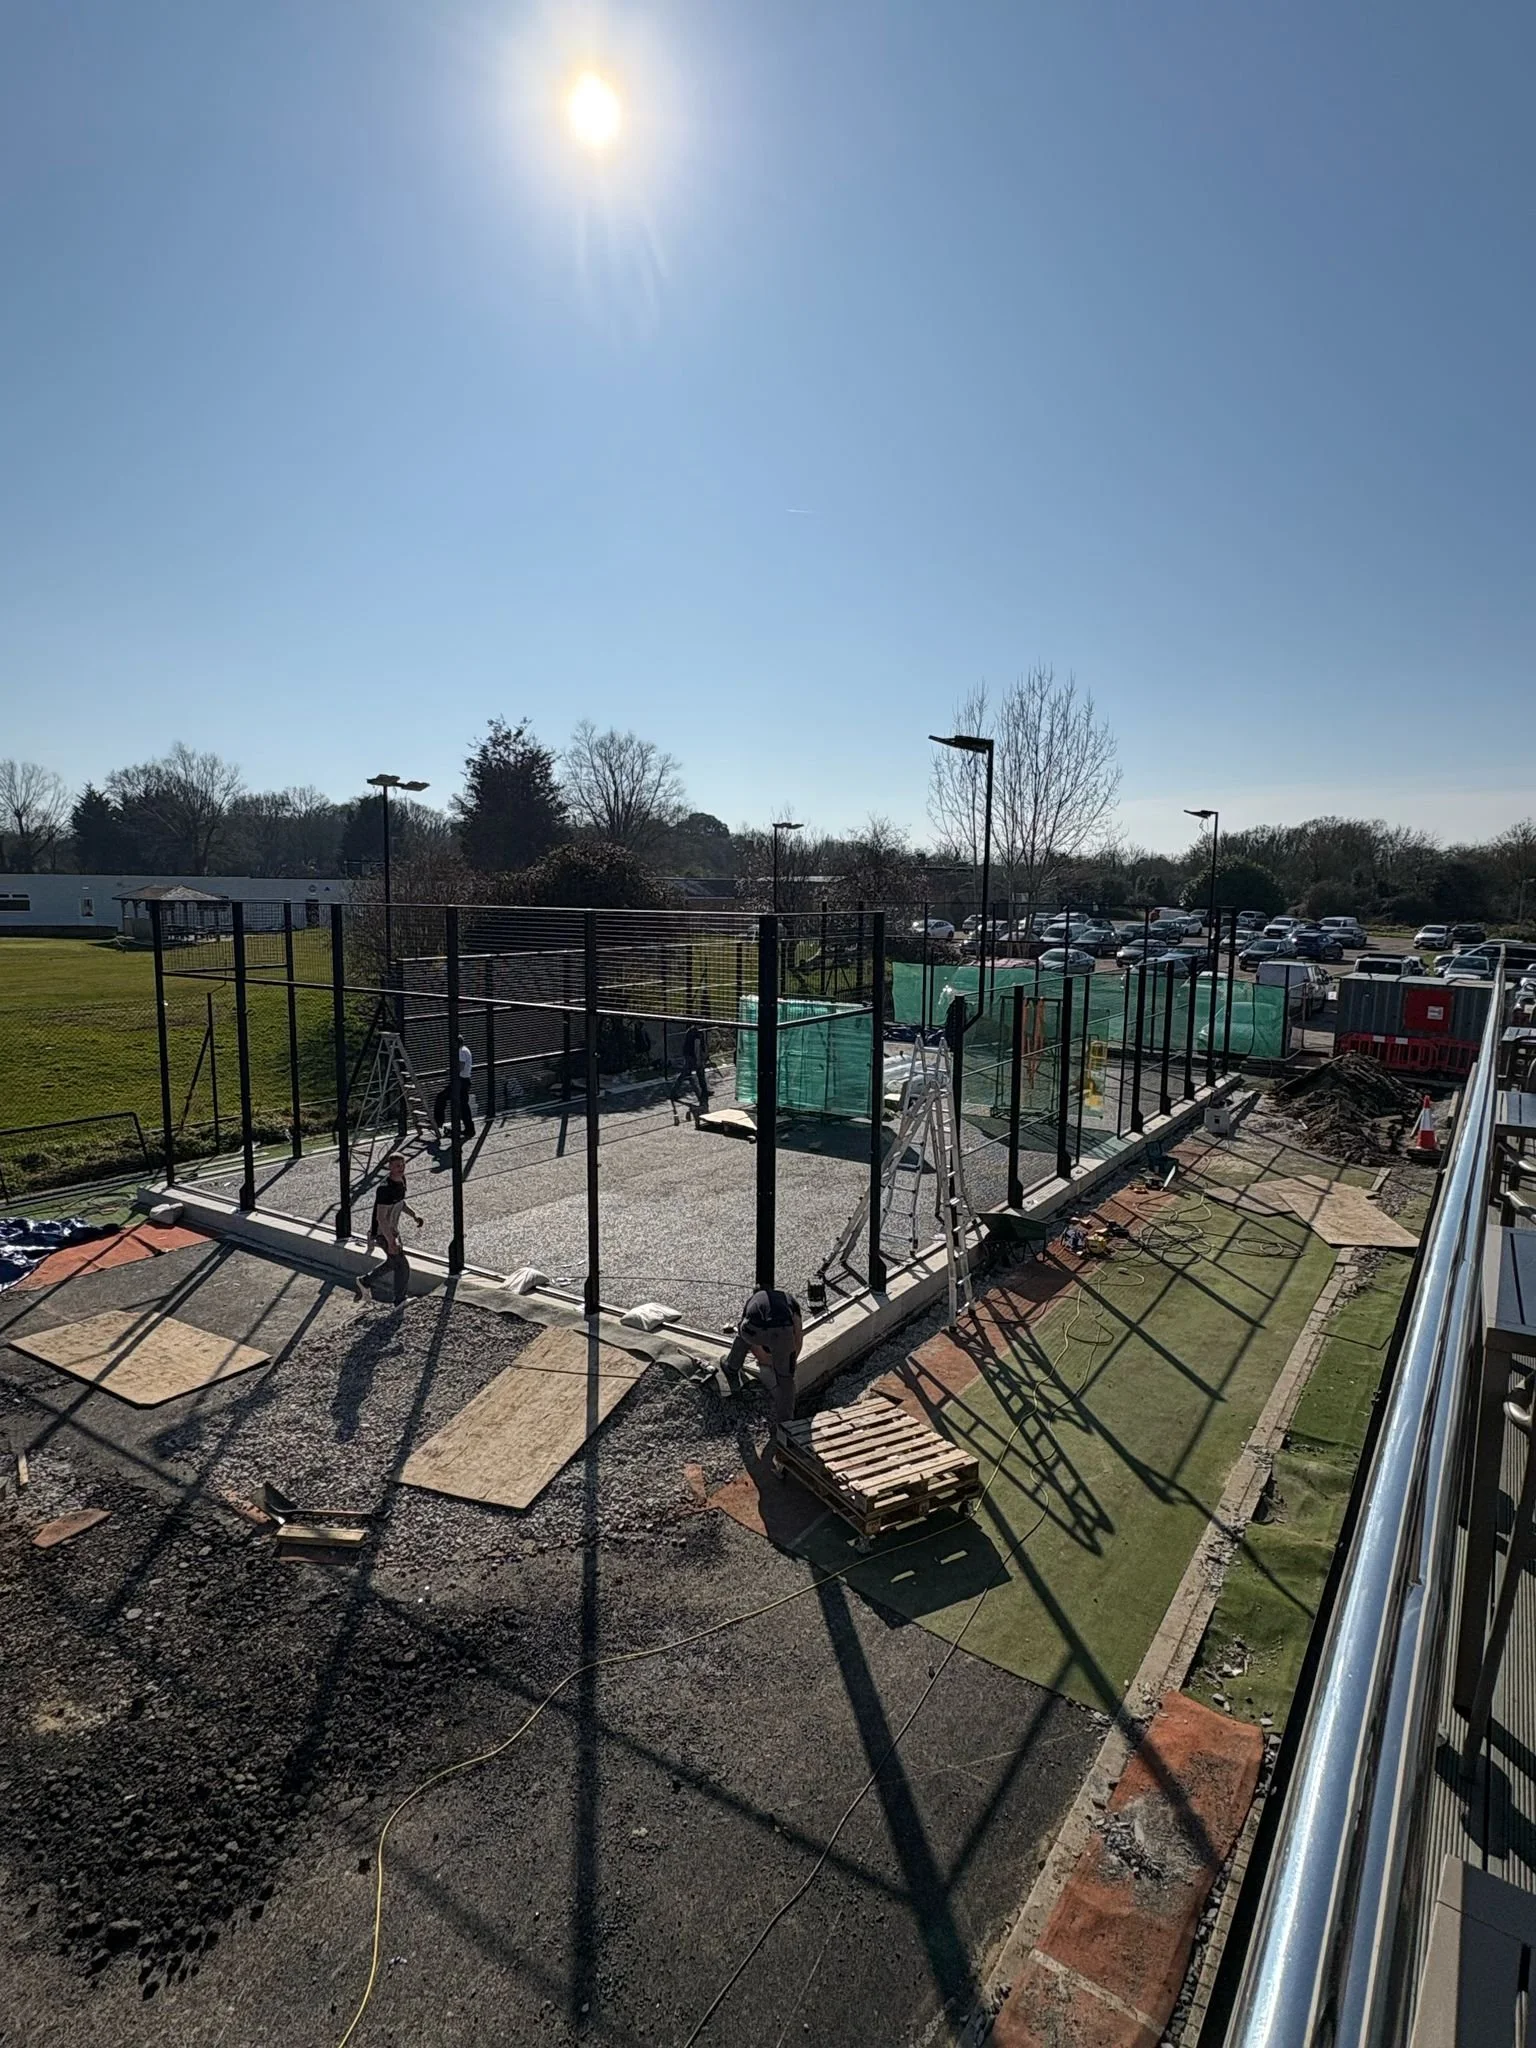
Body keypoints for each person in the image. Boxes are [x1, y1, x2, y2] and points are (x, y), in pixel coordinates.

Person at [719, 1287, 803, 1436]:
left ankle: (731, 1366)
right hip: (782, 1331)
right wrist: (788, 1360)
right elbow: (798, 1335)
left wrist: (764, 1358)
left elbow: (750, 1338)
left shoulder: (753, 1302)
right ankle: (786, 1423)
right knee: (786, 1379)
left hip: (754, 1329)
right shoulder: (790, 1302)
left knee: (742, 1333)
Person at [355, 1153, 421, 1305]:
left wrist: (414, 1215)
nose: (401, 1168)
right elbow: (381, 1218)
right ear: (389, 1167)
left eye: (403, 1165)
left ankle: (365, 1281)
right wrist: (391, 1240)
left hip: (393, 1231)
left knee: (393, 1263)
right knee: (402, 1266)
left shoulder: (401, 1181)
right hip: (383, 1233)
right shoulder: (384, 1189)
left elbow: (400, 1202)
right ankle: (400, 1300)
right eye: (397, 1165)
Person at [433, 1035, 476, 1140]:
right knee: (463, 1106)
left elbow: (460, 1067)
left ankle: (438, 1121)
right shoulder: (465, 1050)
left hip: (460, 1081)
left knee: (441, 1097)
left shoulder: (461, 1051)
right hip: (463, 1080)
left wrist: (450, 1070)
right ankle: (469, 1129)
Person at [670, 1022, 710, 1122]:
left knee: (691, 1074)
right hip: (693, 1057)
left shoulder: (690, 1031)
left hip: (689, 1056)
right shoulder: (697, 1033)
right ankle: (703, 1093)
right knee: (696, 1073)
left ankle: (674, 1092)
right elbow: (697, 1048)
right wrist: (698, 1059)